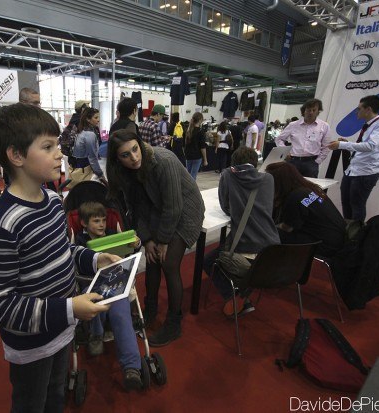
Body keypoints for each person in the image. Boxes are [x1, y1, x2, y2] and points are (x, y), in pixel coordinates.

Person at [0, 103, 119, 412]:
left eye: (57, 144)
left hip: (63, 330)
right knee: (32, 402)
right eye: (48, 146)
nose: (60, 153)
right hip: (31, 344)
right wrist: (69, 308)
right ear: (16, 155)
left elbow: (62, 251)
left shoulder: (54, 201)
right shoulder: (5, 223)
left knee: (57, 394)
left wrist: (93, 260)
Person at [107, 129, 204, 347]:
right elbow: (137, 208)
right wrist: (148, 239)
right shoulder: (124, 173)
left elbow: (174, 207)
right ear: (117, 159)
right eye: (125, 155)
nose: (134, 157)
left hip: (185, 211)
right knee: (150, 258)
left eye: (135, 149)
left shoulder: (163, 160)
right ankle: (149, 311)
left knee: (168, 263)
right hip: (157, 210)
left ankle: (174, 322)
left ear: (140, 144)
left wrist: (162, 241)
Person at [74, 201, 143, 391]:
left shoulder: (114, 235)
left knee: (121, 313)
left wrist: (136, 244)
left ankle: (131, 368)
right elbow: (76, 265)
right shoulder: (80, 242)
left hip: (116, 282)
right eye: (96, 221)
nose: (102, 224)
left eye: (104, 220)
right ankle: (96, 334)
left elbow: (132, 252)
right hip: (91, 283)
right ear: (84, 223)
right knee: (97, 301)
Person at [203, 147, 280, 316]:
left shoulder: (227, 175)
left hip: (247, 246)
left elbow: (225, 207)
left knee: (208, 261)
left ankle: (237, 296)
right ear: (255, 162)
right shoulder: (268, 179)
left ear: (233, 161)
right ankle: (247, 287)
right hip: (273, 248)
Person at [328, 95, 379, 223]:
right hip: (352, 170)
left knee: (357, 206)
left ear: (368, 109)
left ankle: (356, 237)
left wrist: (342, 145)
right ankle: (347, 231)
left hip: (365, 173)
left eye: (359, 109)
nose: (357, 112)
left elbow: (370, 146)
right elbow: (363, 146)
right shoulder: (367, 126)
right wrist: (347, 143)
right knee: (346, 204)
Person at [265, 162, 346, 258]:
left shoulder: (294, 197)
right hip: (337, 239)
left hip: (324, 246)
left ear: (278, 181)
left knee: (272, 233)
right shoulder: (310, 189)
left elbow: (288, 228)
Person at [275, 98, 331, 178]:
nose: (311, 112)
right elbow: (279, 139)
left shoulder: (324, 126)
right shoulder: (293, 125)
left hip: (311, 163)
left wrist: (317, 161)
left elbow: (326, 146)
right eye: (308, 110)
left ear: (318, 111)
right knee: (290, 187)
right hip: (293, 162)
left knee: (309, 188)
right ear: (304, 110)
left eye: (314, 110)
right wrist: (285, 152)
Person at [70, 107, 106, 186]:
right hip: (85, 168)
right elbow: (92, 157)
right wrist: (100, 174)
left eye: (98, 117)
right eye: (96, 117)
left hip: (81, 166)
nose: (98, 120)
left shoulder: (84, 129)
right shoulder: (89, 133)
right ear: (88, 119)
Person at [184, 112, 208, 180]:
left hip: (188, 155)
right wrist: (205, 159)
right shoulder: (201, 132)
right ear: (200, 120)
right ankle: (191, 189)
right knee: (193, 175)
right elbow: (202, 147)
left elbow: (185, 144)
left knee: (189, 174)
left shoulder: (188, 131)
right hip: (196, 156)